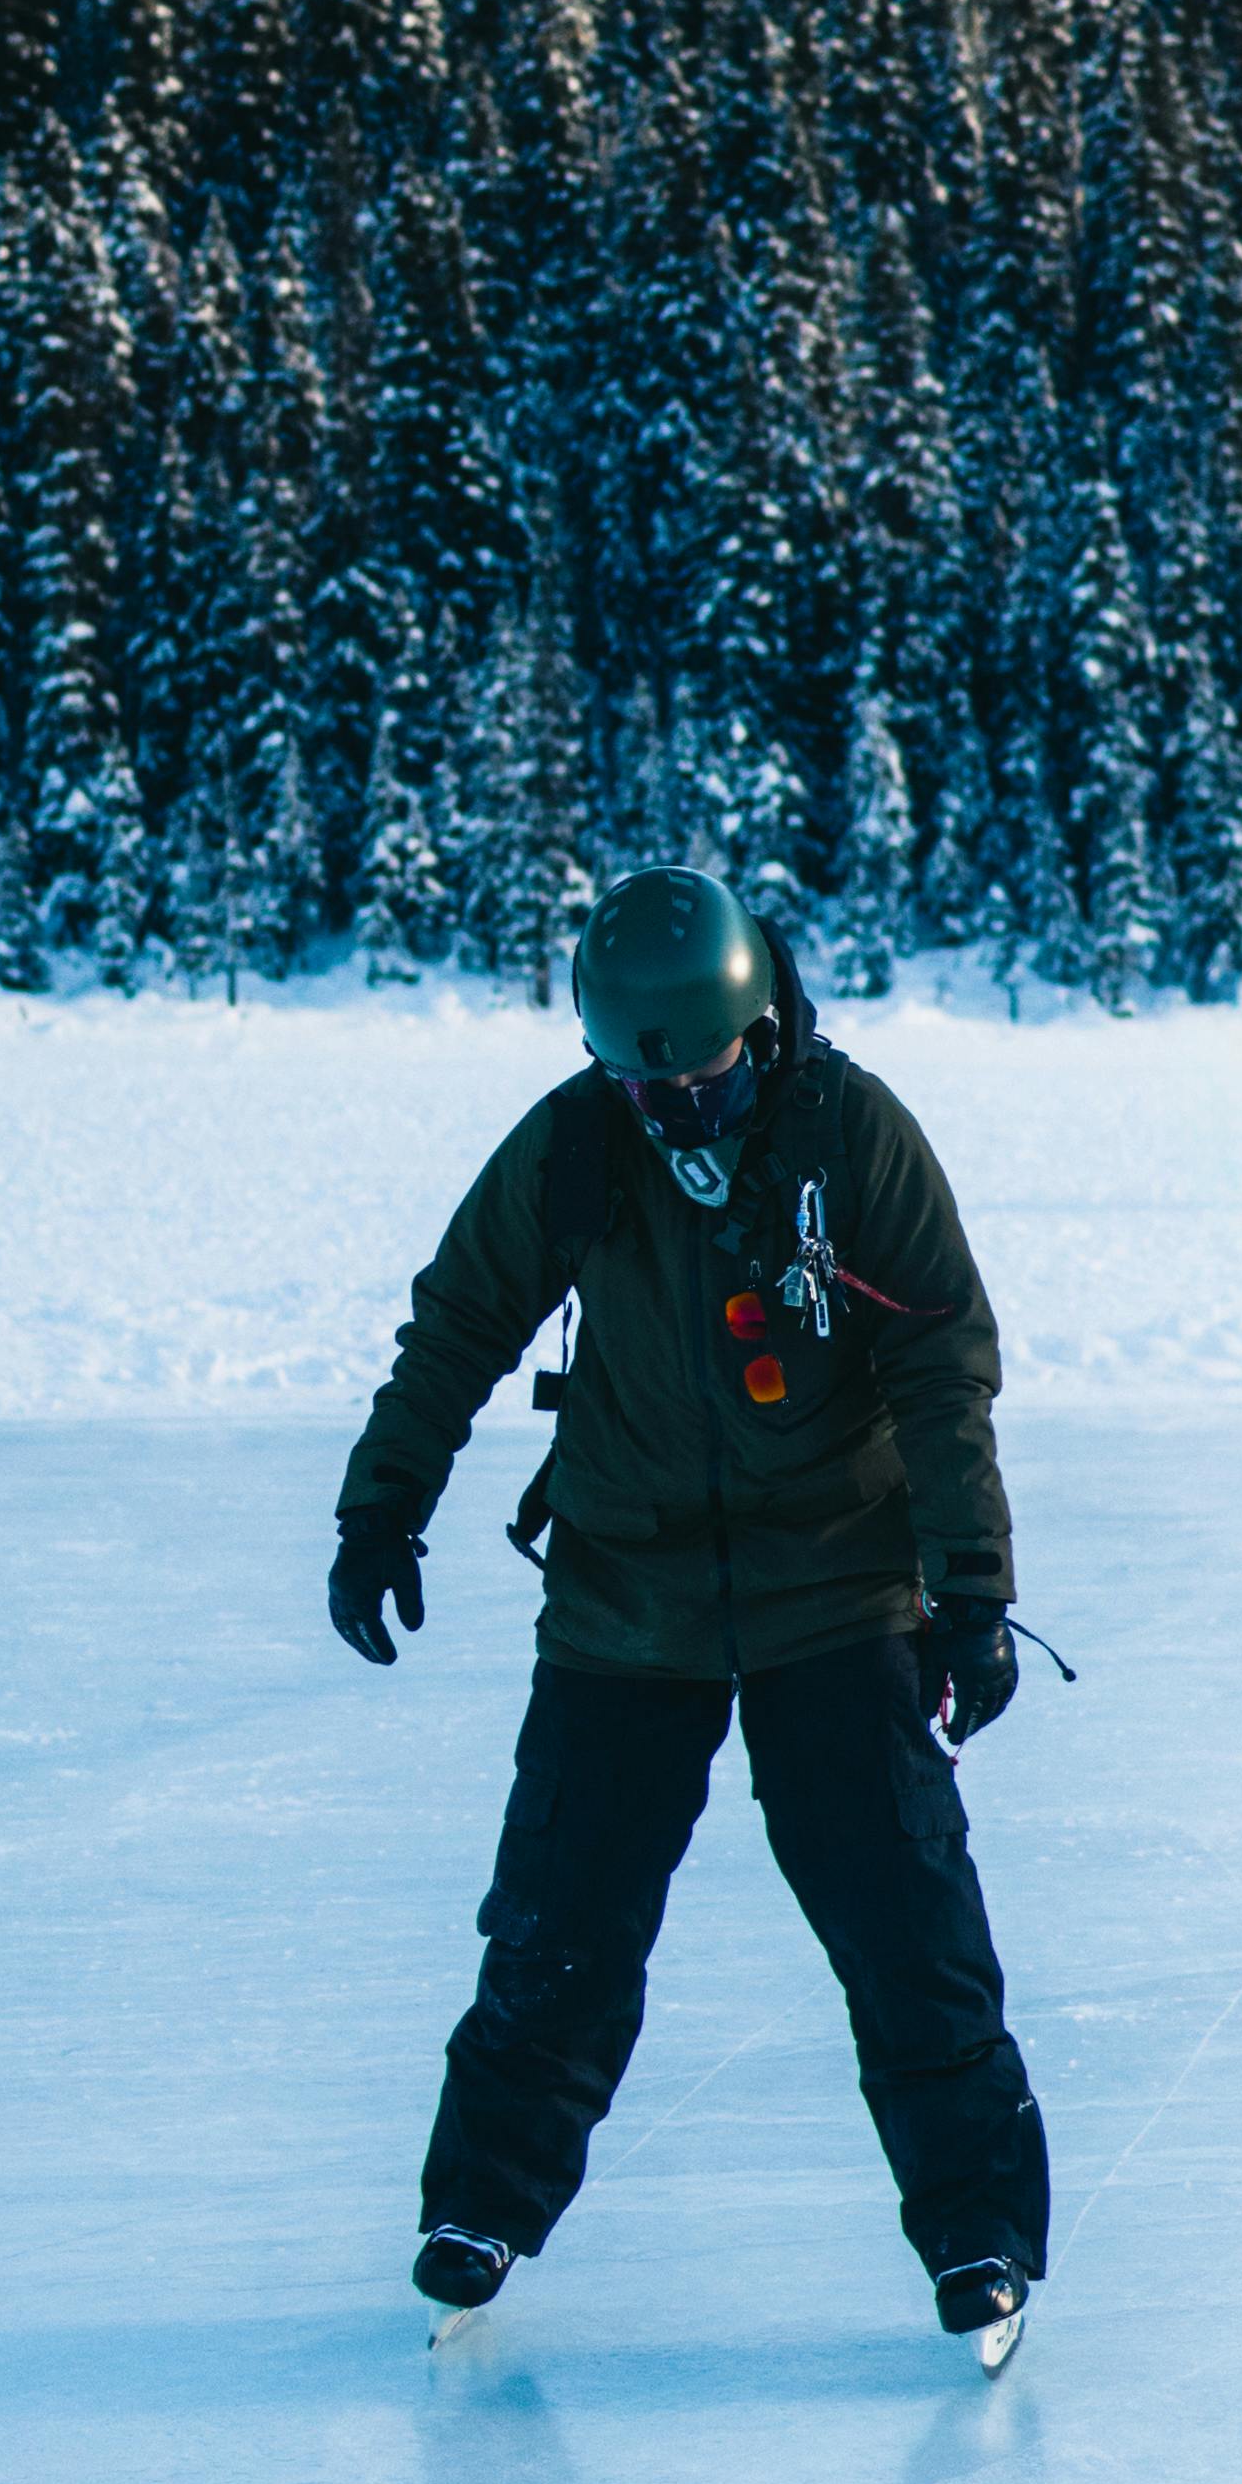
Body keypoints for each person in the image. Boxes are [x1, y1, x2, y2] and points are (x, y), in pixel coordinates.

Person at [329, 868, 1054, 2368]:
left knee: (907, 1930)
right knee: (557, 1928)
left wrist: (972, 1592)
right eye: (642, 1086)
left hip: (836, 1592)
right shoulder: (578, 1142)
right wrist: (380, 1508)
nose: (674, 1114)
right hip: (626, 1598)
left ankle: (979, 2233)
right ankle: (479, 2214)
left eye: (702, 1083)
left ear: (760, 1031)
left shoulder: (853, 1136)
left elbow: (941, 1367)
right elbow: (458, 1322)